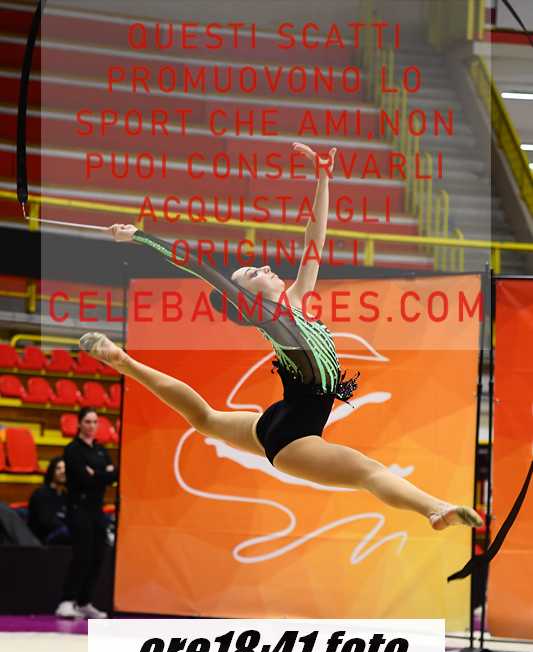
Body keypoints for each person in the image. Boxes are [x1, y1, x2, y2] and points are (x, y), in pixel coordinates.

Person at [81, 141, 482, 533]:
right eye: (253, 273)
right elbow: (200, 267)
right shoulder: (268, 316)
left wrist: (323, 178)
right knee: (368, 471)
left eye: (258, 265)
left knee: (205, 419)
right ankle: (434, 508)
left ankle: (124, 362)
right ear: (247, 297)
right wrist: (139, 236)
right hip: (295, 438)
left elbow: (314, 239)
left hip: (279, 418)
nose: (265, 267)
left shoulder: (299, 299)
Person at [55, 407, 117, 619]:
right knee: (82, 554)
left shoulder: (100, 450)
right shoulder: (72, 450)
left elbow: (113, 475)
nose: (91, 426)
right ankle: (66, 600)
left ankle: (84, 602)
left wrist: (96, 474)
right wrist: (103, 474)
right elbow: (84, 478)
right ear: (79, 424)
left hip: (97, 509)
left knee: (99, 555)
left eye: (95, 422)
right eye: (88, 422)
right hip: (78, 508)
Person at [28, 456, 71, 545]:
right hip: (43, 539)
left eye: (65, 469)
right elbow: (45, 521)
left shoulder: (66, 496)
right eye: (58, 468)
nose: (63, 471)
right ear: (52, 472)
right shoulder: (41, 493)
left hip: (63, 534)